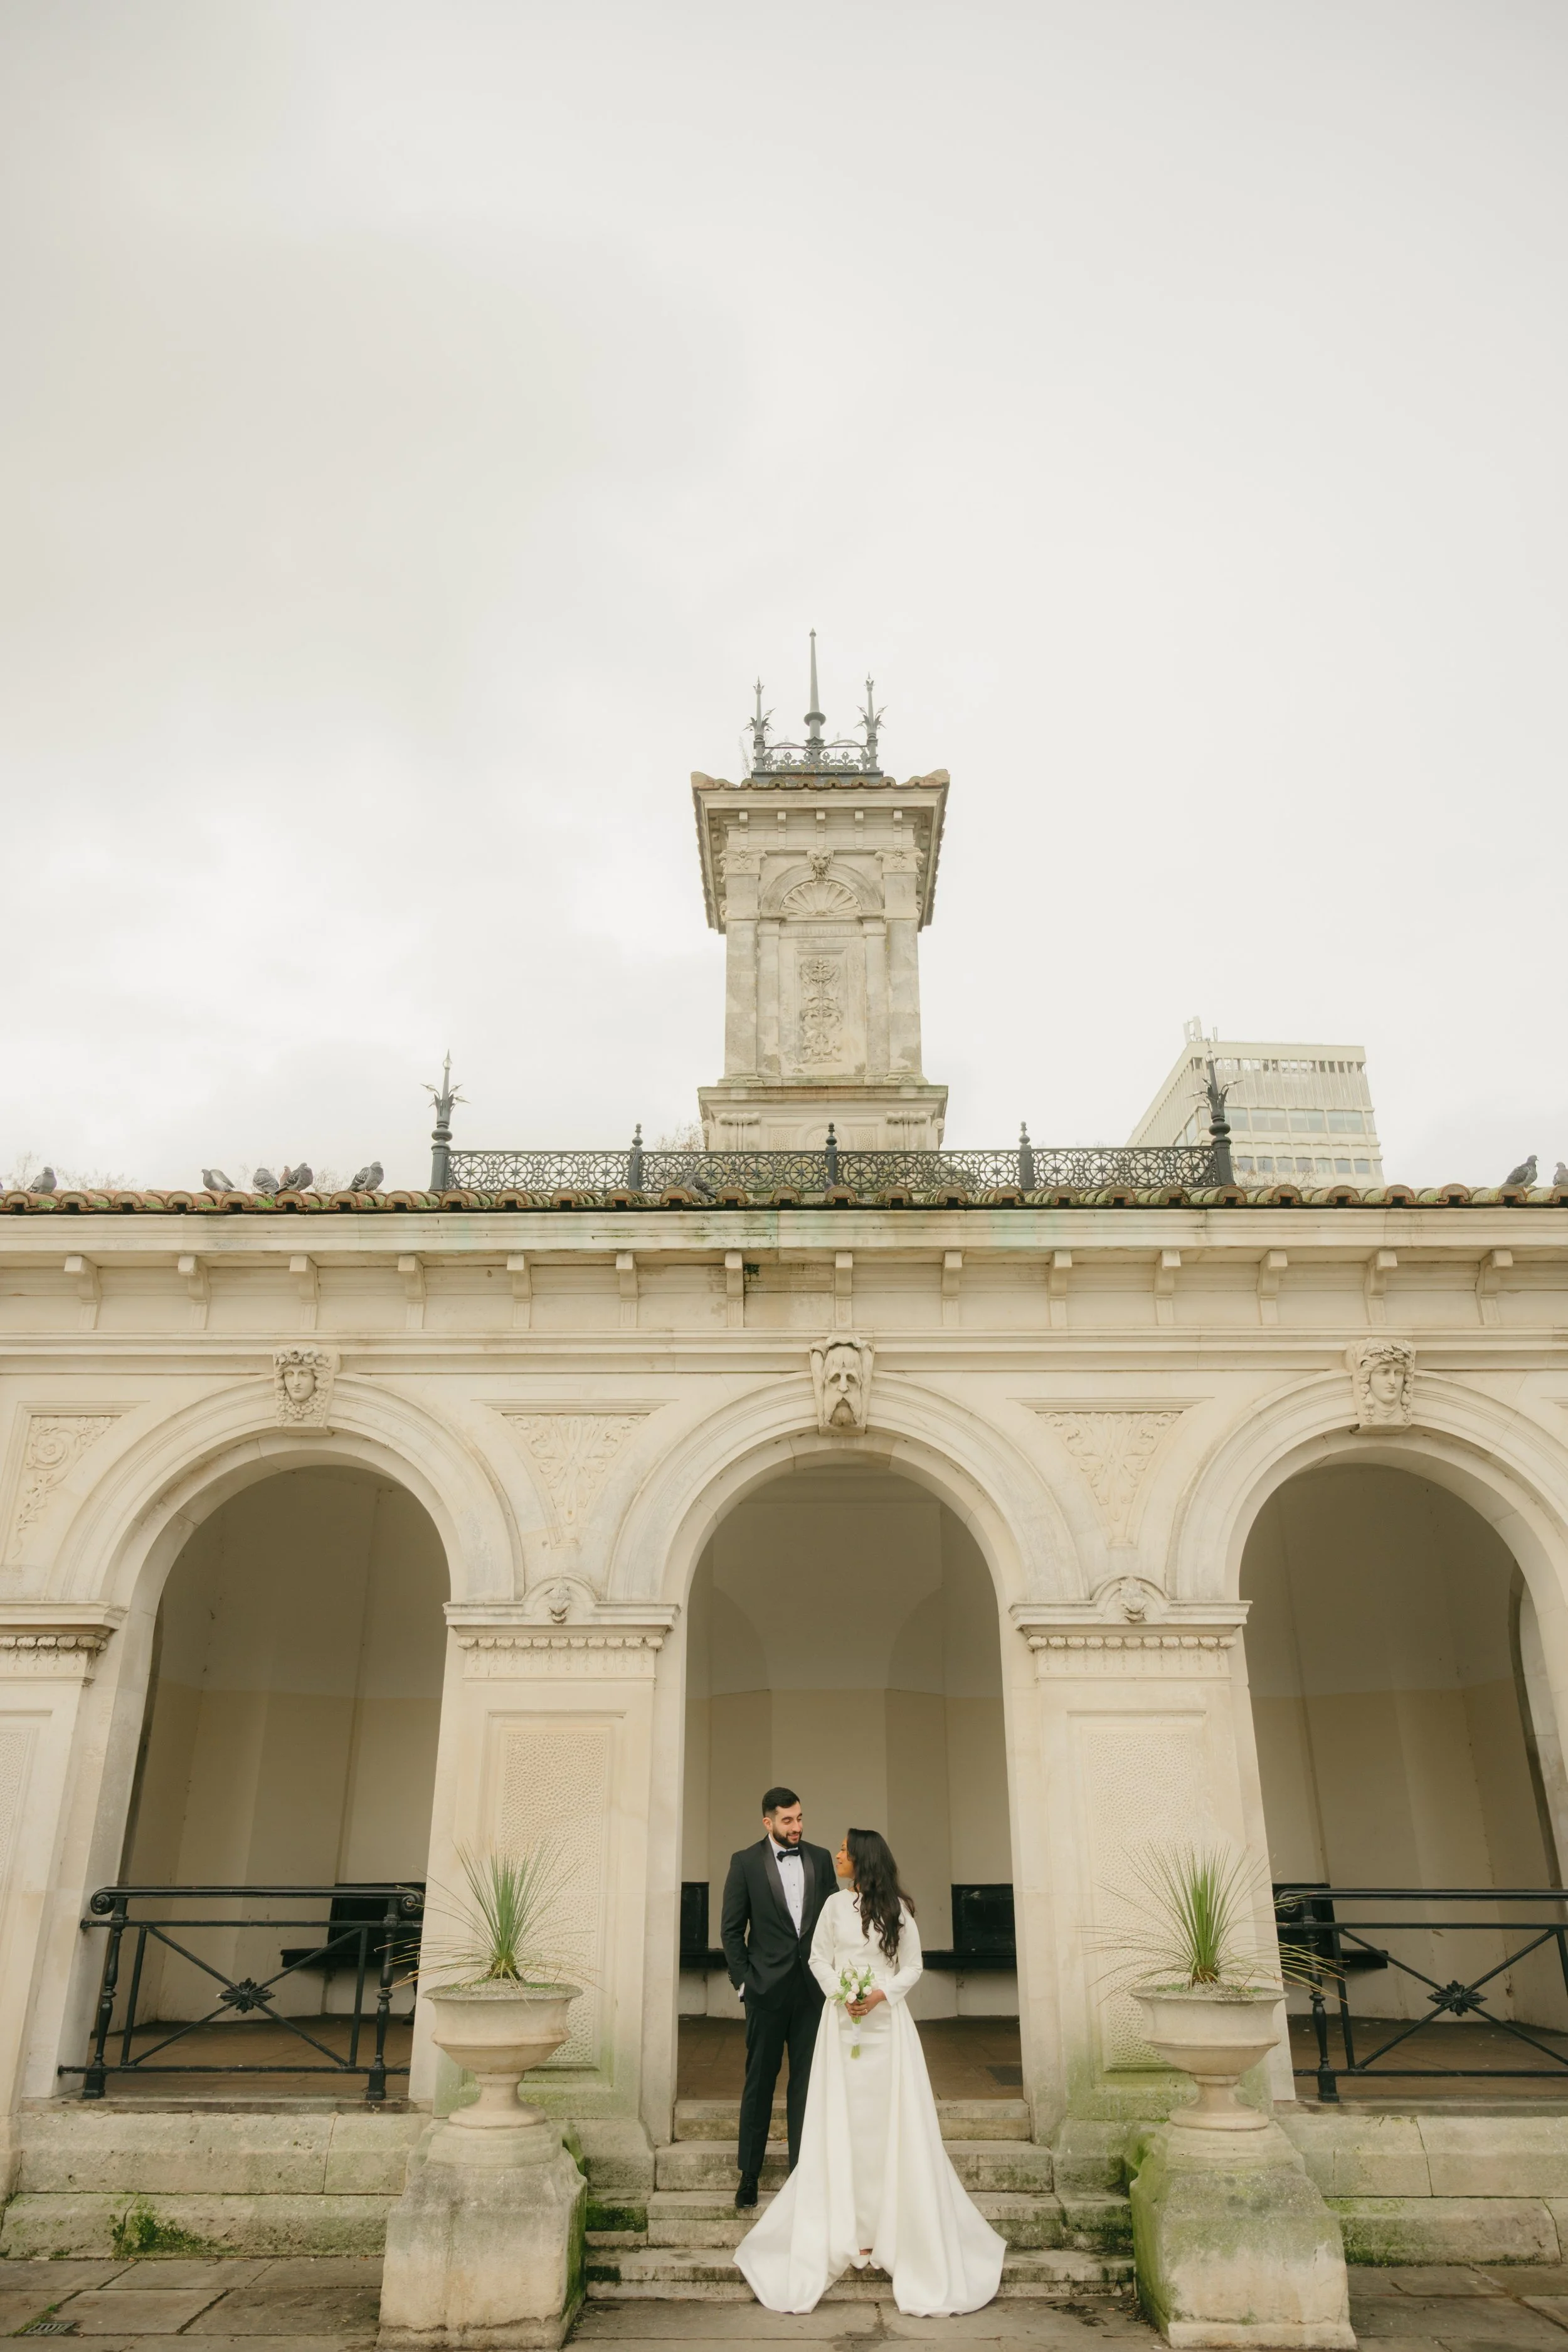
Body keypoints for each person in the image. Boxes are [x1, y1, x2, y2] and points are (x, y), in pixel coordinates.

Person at [734, 1827, 1006, 2316]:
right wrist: (842, 1993)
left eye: (843, 1851)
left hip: (888, 2033)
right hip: (840, 2029)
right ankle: (850, 2231)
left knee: (888, 2128)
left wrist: (880, 1994)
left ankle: (891, 2231)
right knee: (846, 2128)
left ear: (861, 1860)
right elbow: (818, 1958)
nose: (836, 1856)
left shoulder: (896, 1909)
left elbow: (913, 1966)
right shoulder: (834, 1907)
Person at [719, 1787, 840, 2209]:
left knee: (807, 2086)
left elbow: (833, 1923)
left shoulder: (822, 1859)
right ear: (768, 1822)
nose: (797, 1828)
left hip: (812, 1992)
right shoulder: (745, 1862)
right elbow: (731, 1930)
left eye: (800, 1819)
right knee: (759, 2084)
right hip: (765, 1992)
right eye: (788, 1821)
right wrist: (744, 1983)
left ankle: (802, 2174)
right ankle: (748, 2175)